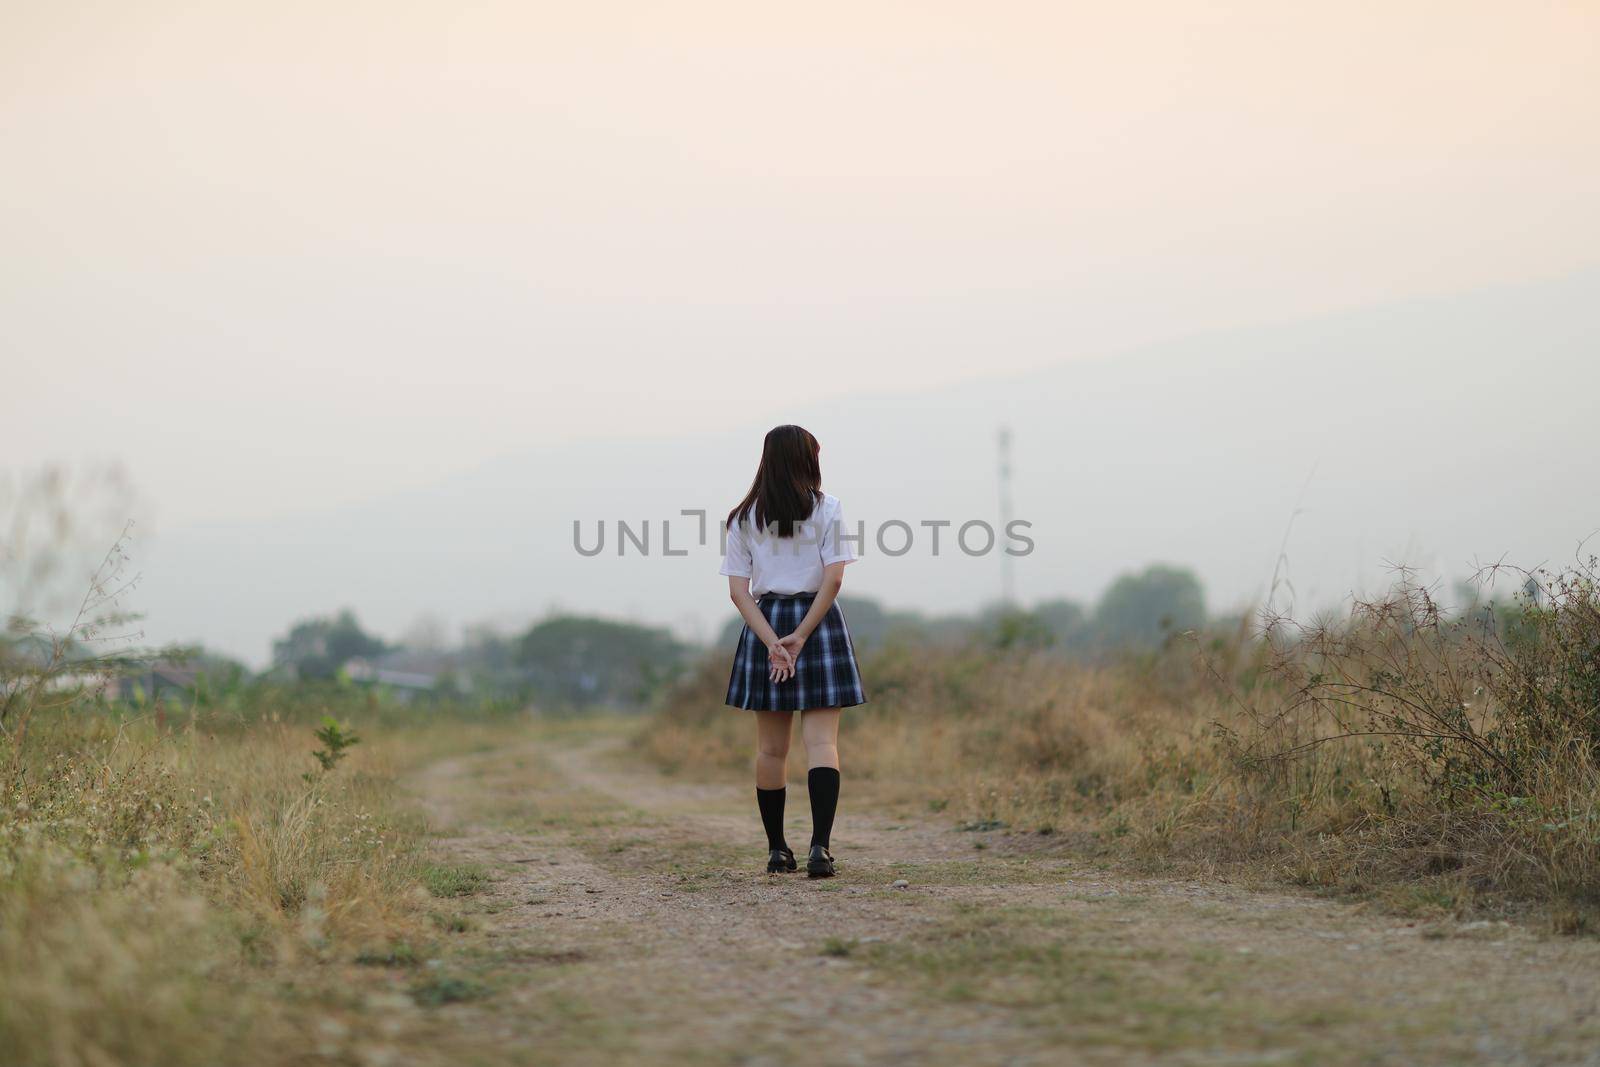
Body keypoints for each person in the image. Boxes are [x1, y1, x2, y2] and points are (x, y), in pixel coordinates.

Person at [720, 424, 866, 878]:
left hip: (766, 624)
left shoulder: (743, 517)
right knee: (821, 742)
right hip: (818, 626)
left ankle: (777, 850)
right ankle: (820, 849)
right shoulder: (828, 508)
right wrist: (800, 636)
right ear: (809, 459)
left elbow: (739, 593)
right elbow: (834, 579)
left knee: (771, 750)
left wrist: (772, 642)